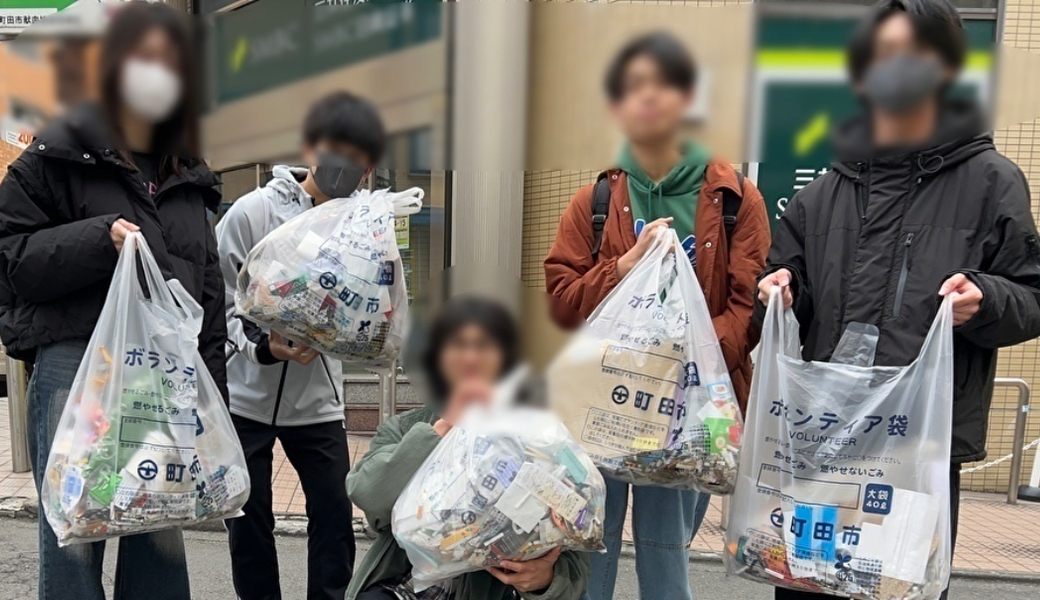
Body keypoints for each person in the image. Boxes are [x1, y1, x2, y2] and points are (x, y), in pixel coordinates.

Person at [756, 1, 1040, 599]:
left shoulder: (992, 181)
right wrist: (777, 291)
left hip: (920, 449)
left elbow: (1031, 294)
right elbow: (788, 285)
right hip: (824, 443)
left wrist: (985, 299)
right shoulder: (823, 192)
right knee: (805, 587)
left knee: (899, 589)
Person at [0, 3, 227, 599]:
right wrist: (98, 239)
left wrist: (214, 409)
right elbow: (9, 258)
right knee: (74, 532)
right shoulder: (54, 157)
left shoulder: (189, 175)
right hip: (77, 367)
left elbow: (207, 295)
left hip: (164, 375)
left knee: (159, 529)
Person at [544, 31, 771, 600]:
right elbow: (561, 302)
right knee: (588, 541)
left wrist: (677, 376)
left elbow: (747, 314)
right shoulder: (594, 200)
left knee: (668, 552)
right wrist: (621, 266)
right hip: (603, 403)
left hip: (690, 410)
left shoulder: (736, 198)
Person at [216, 91, 385, 600]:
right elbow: (219, 300)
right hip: (247, 398)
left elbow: (377, 307)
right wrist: (263, 347)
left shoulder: (364, 226)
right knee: (248, 525)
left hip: (318, 402)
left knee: (334, 521)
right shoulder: (252, 212)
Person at [345, 296, 590, 600]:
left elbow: (576, 551)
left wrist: (545, 579)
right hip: (408, 588)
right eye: (457, 345)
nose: (471, 358)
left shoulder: (541, 439)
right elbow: (371, 499)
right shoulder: (406, 428)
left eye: (485, 346)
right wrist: (443, 428)